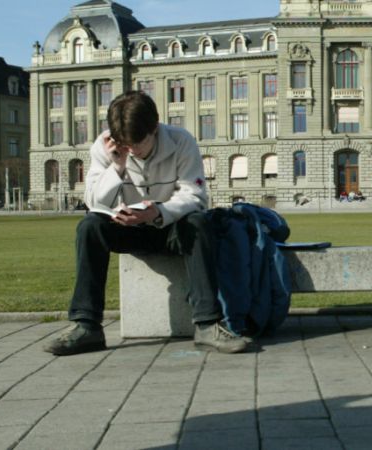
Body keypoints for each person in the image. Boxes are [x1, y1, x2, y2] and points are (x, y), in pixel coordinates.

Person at [43, 91, 247, 356]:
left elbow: (195, 196)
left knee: (198, 223)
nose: (132, 151)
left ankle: (208, 324)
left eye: (138, 142)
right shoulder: (106, 147)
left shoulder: (180, 141)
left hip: (171, 227)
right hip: (129, 229)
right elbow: (93, 202)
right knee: (89, 226)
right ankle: (87, 325)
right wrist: (116, 167)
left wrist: (158, 212)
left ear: (155, 127)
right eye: (125, 144)